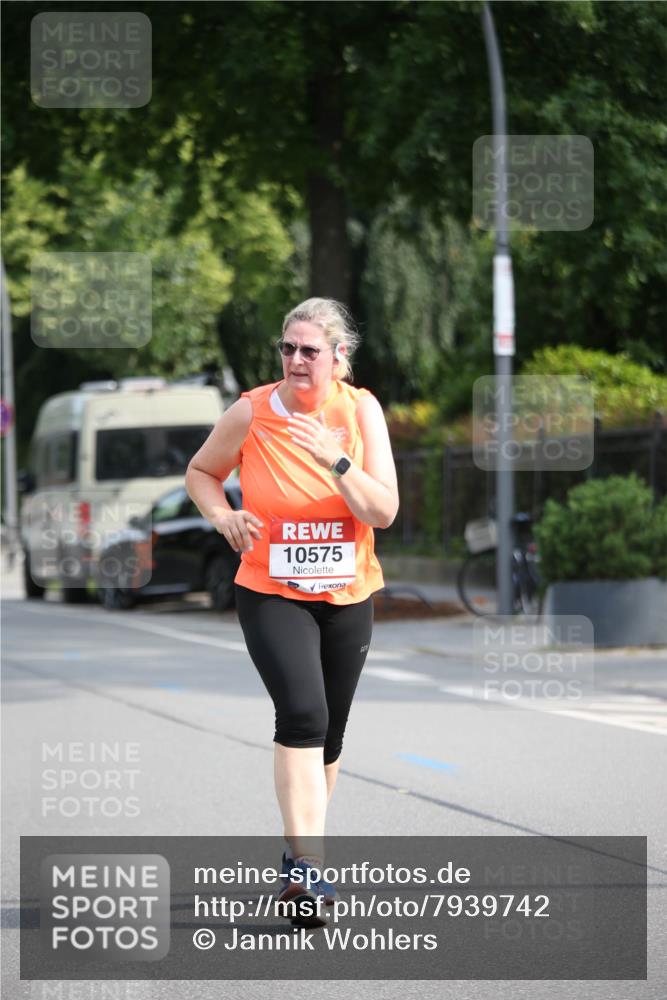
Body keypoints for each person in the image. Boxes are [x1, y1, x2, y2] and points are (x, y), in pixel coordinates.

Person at [185, 298, 398, 917]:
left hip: (348, 592)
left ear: (338, 356)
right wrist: (222, 515)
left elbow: (383, 511)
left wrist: (335, 459)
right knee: (303, 715)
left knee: (329, 735)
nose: (297, 359)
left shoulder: (360, 410)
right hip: (271, 590)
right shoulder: (252, 411)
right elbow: (201, 471)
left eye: (310, 350)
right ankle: (309, 870)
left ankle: (300, 851)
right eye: (288, 348)